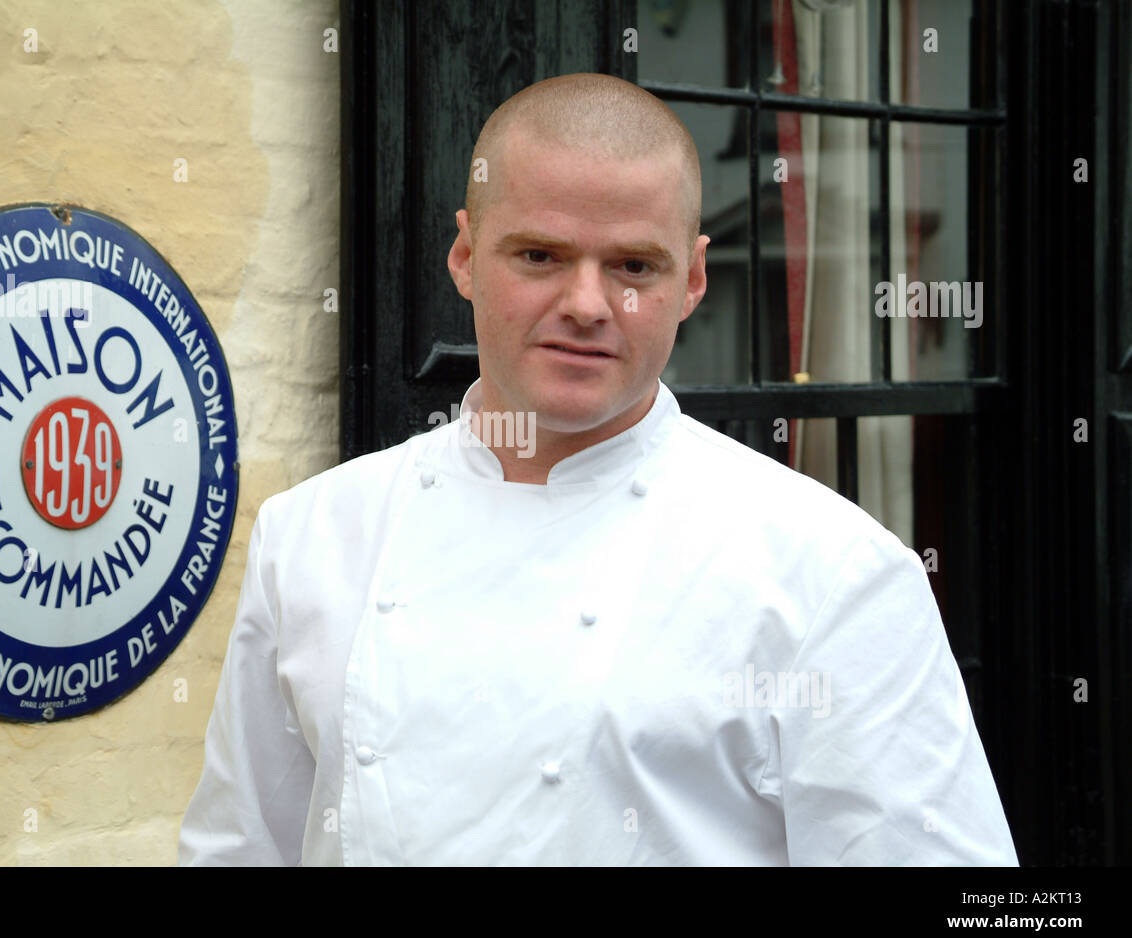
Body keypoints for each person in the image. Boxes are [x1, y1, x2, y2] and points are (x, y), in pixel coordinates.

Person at [177, 72, 1018, 866]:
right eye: (539, 255)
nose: (586, 305)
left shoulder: (831, 572)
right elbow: (240, 849)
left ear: (691, 278)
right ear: (465, 258)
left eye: (632, 266)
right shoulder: (314, 534)